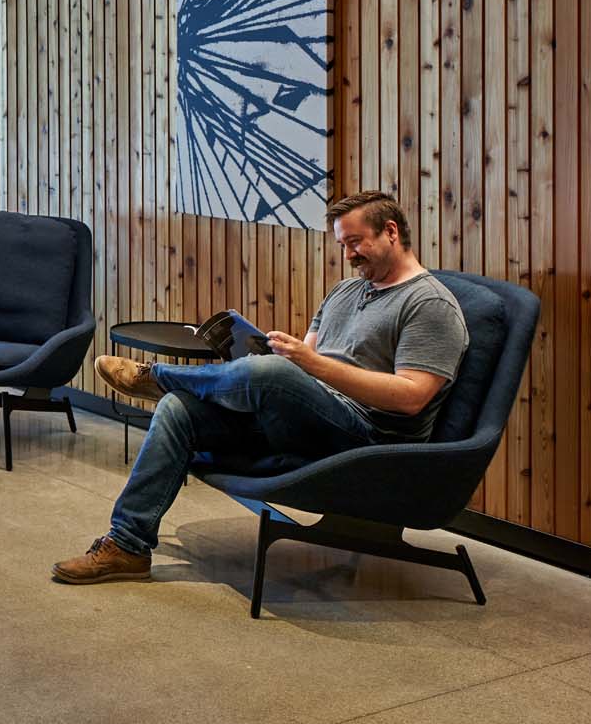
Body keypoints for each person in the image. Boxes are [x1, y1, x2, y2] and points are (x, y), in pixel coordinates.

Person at [51, 190, 469, 584]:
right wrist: (276, 356)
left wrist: (303, 366)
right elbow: (307, 362)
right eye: (343, 244)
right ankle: (128, 546)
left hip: (367, 440)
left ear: (391, 231)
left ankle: (156, 377)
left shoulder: (429, 304)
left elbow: (412, 397)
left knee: (271, 373)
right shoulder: (346, 291)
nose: (348, 255)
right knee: (181, 409)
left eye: (356, 242)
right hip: (308, 418)